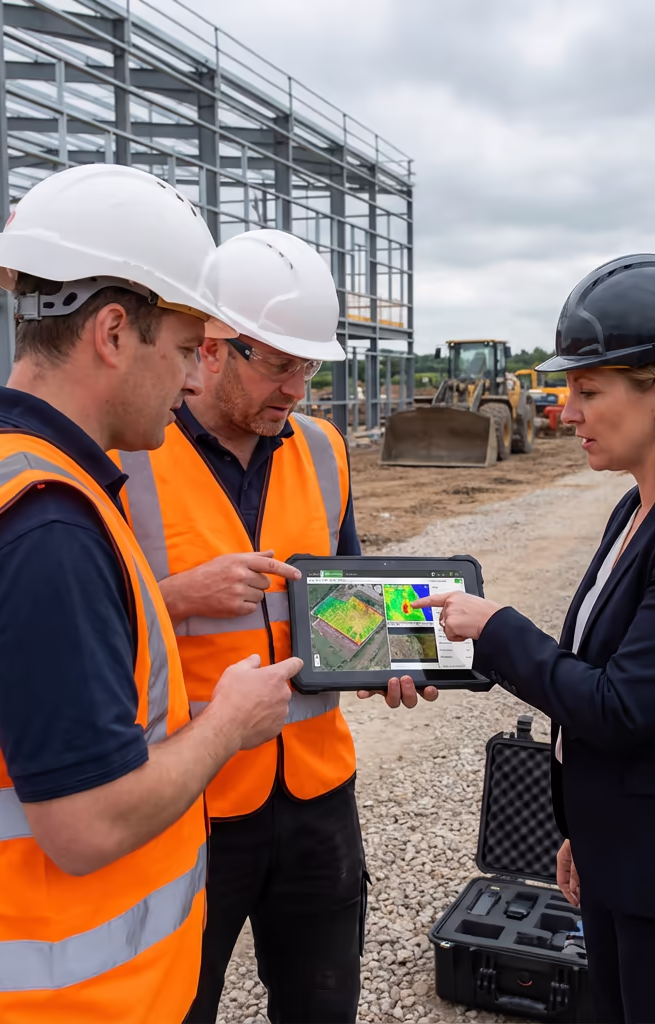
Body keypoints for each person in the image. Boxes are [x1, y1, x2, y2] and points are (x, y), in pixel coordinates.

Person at [0, 165, 301, 1024]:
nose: (188, 382)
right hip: (52, 997)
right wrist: (230, 722)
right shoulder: (47, 530)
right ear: (111, 331)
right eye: (182, 349)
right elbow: (88, 825)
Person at [414, 255, 655, 1024]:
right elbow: (592, 675)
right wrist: (587, 834)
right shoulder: (639, 510)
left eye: (588, 390)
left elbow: (621, 706)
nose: (566, 410)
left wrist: (496, 629)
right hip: (632, 859)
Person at [117, 228, 435, 1024]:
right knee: (180, 1005)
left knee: (323, 1003)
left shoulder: (324, 449)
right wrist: (177, 595)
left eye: (309, 366)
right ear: (212, 349)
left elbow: (348, 588)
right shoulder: (129, 459)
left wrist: (389, 658)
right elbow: (85, 624)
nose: (299, 386)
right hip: (192, 795)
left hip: (318, 788)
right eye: (280, 364)